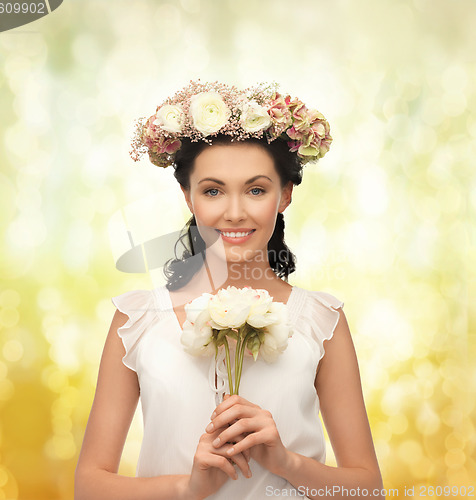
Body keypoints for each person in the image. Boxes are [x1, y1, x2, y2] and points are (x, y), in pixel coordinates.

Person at [75, 81, 385, 499]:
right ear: (188, 196)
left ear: (285, 195)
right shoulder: (138, 321)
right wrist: (188, 488)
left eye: (256, 190)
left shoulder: (320, 321)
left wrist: (285, 461)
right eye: (213, 190)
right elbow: (89, 487)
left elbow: (368, 488)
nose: (235, 212)